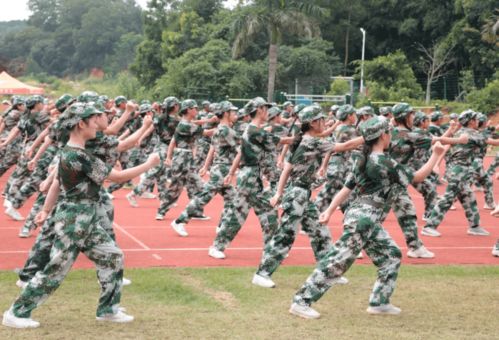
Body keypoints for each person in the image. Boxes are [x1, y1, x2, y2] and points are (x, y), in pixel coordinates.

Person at [2, 103, 160, 329]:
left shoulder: (69, 152)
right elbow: (116, 177)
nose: (98, 123)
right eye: (93, 120)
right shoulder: (79, 155)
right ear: (80, 124)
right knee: (55, 270)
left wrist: (46, 210)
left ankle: (108, 309)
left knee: (112, 256)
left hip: (83, 216)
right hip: (75, 218)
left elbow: (56, 183)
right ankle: (16, 311)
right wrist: (149, 164)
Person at [288, 115, 445, 319]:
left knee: (391, 256)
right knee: (339, 261)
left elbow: (347, 188)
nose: (390, 135)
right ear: (382, 136)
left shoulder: (361, 157)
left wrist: (329, 210)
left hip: (364, 218)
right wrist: (436, 154)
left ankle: (379, 302)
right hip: (364, 219)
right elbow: (417, 177)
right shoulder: (382, 161)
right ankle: (301, 300)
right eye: (388, 132)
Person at [252, 105, 363, 288]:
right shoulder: (311, 142)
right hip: (297, 194)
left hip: (301, 194)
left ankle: (329, 272)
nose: (324, 122)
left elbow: (287, 168)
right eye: (321, 120)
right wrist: (371, 135)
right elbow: (346, 146)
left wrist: (279, 193)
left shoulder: (303, 139)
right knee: (286, 235)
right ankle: (262, 273)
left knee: (320, 232)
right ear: (312, 123)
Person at [207, 97, 294, 259]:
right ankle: (270, 248)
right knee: (262, 212)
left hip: (250, 176)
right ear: (259, 110)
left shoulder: (251, 130)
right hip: (250, 177)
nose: (268, 112)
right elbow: (281, 141)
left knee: (246, 213)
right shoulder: (254, 131)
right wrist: (301, 138)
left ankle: (269, 247)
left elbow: (240, 153)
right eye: (265, 108)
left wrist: (231, 173)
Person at [421, 110, 499, 237]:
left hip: (458, 169)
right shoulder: (473, 134)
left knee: (469, 197)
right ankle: (429, 226)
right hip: (460, 170)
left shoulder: (461, 132)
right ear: (471, 121)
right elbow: (495, 142)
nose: (477, 121)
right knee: (448, 198)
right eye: (475, 119)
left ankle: (475, 226)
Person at [171, 101, 239, 238]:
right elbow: (242, 150)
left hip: (220, 168)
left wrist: (206, 166)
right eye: (233, 112)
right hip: (222, 170)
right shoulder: (226, 131)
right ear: (226, 113)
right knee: (204, 197)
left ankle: (222, 226)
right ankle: (179, 221)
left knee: (232, 198)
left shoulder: (220, 129)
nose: (236, 115)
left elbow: (212, 149)